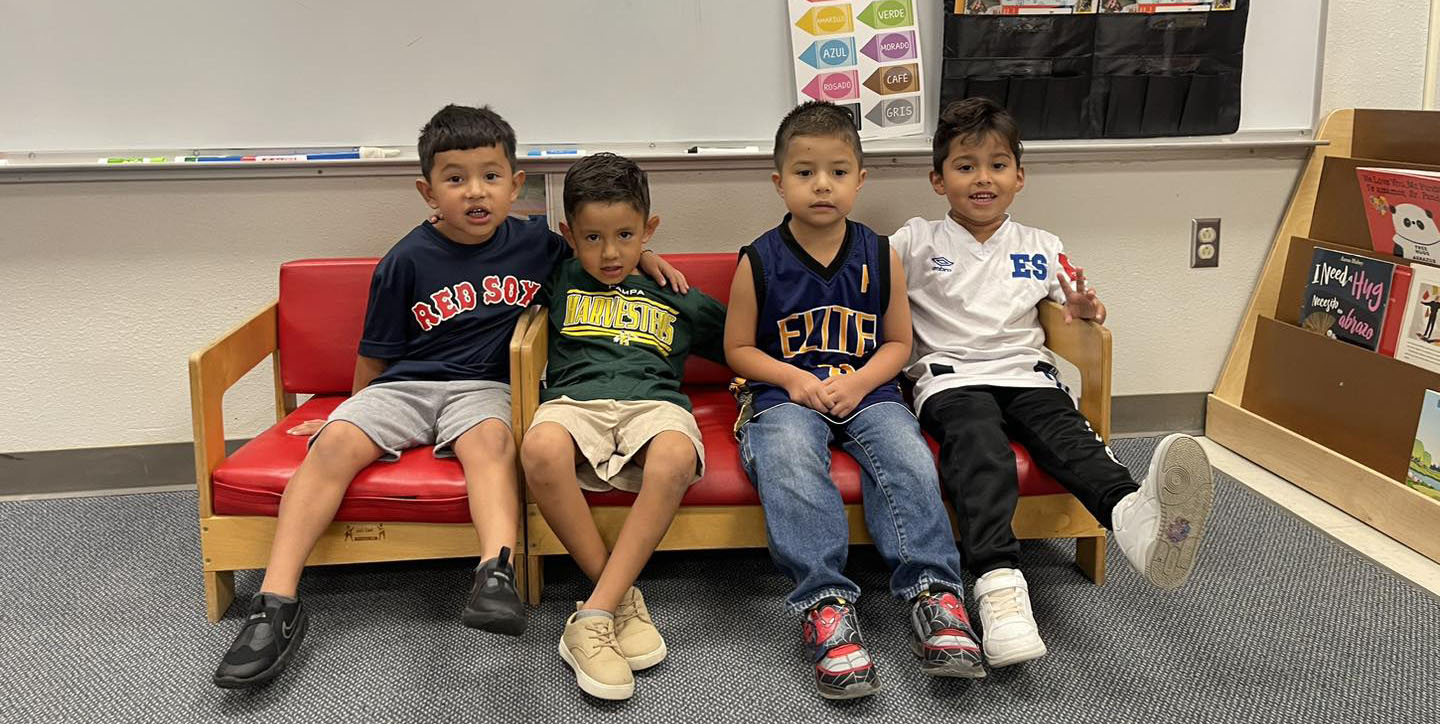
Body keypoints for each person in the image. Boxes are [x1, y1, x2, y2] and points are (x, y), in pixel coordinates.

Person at [211, 105, 686, 689]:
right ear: (427, 190)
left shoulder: (540, 246)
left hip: (484, 388)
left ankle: (495, 572)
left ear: (515, 185)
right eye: (455, 178)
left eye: (490, 176)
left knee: (491, 443)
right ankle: (276, 603)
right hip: (405, 385)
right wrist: (349, 411)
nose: (474, 192)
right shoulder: (406, 259)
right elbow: (375, 353)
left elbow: (604, 256)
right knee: (333, 444)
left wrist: (651, 258)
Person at [891, 97, 1216, 669]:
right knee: (981, 450)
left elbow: (1079, 307)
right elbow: (872, 294)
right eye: (965, 166)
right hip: (950, 381)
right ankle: (998, 588)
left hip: (1028, 376)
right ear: (938, 179)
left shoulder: (1041, 245)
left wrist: (1087, 307)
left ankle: (1134, 519)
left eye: (997, 164)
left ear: (1020, 176)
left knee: (1071, 438)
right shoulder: (913, 241)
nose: (982, 178)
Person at [723, 101, 983, 700]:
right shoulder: (759, 259)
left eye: (838, 172)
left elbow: (899, 342)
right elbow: (738, 348)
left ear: (860, 180)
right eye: (805, 172)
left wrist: (862, 381)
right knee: (787, 457)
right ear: (778, 183)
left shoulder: (879, 252)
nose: (822, 185)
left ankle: (934, 595)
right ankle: (826, 606)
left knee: (908, 455)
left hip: (868, 393)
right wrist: (792, 379)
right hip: (786, 397)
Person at [519, 153, 727, 701]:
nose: (609, 252)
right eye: (592, 238)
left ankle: (591, 616)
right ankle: (620, 599)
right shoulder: (557, 273)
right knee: (539, 449)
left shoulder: (675, 293)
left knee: (676, 456)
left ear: (649, 229)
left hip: (653, 404)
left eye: (626, 235)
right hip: (574, 400)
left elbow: (740, 342)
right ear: (568, 234)